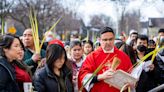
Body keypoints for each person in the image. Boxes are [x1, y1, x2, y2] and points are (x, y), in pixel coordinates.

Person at [78, 27, 132, 92]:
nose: (108, 42)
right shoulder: (92, 57)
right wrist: (100, 77)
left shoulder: (123, 56)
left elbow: (131, 76)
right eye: (105, 40)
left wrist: (129, 84)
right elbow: (83, 77)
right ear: (100, 40)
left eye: (110, 39)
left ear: (114, 39)